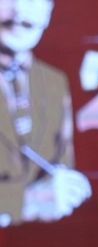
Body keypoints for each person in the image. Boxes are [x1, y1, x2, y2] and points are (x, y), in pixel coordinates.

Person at [0, 0, 91, 227]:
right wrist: (25, 202)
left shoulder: (54, 83)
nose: (20, 10)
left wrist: (68, 190)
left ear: (48, 12)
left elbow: (60, 165)